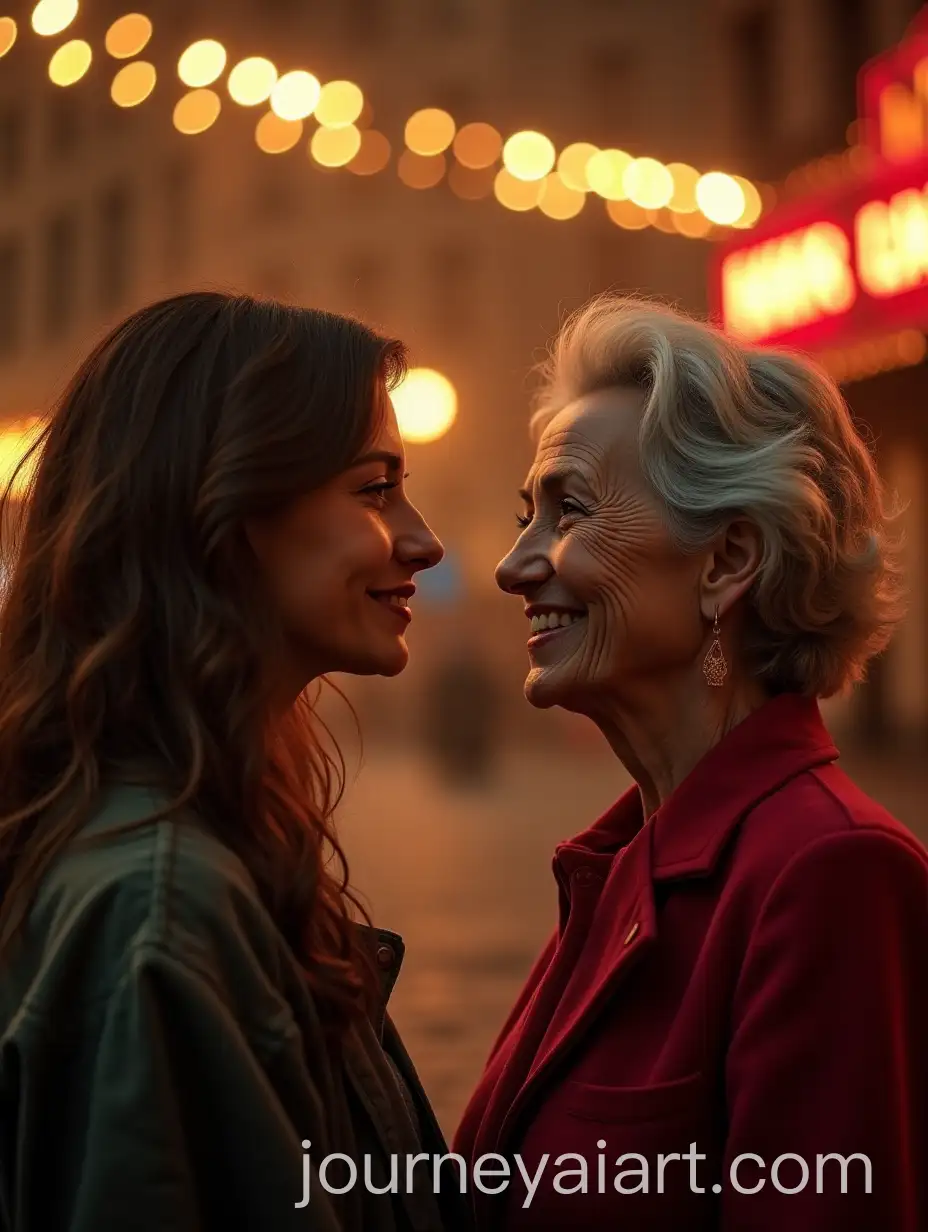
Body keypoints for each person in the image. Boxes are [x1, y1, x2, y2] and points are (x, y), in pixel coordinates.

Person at [0, 292, 473, 1232]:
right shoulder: (164, 902)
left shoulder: (201, 839)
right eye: (375, 489)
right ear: (226, 508)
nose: (424, 542)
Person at [454, 295, 928, 1231]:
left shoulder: (829, 875)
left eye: (568, 511)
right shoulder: (621, 862)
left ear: (728, 560)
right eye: (525, 516)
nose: (513, 566)